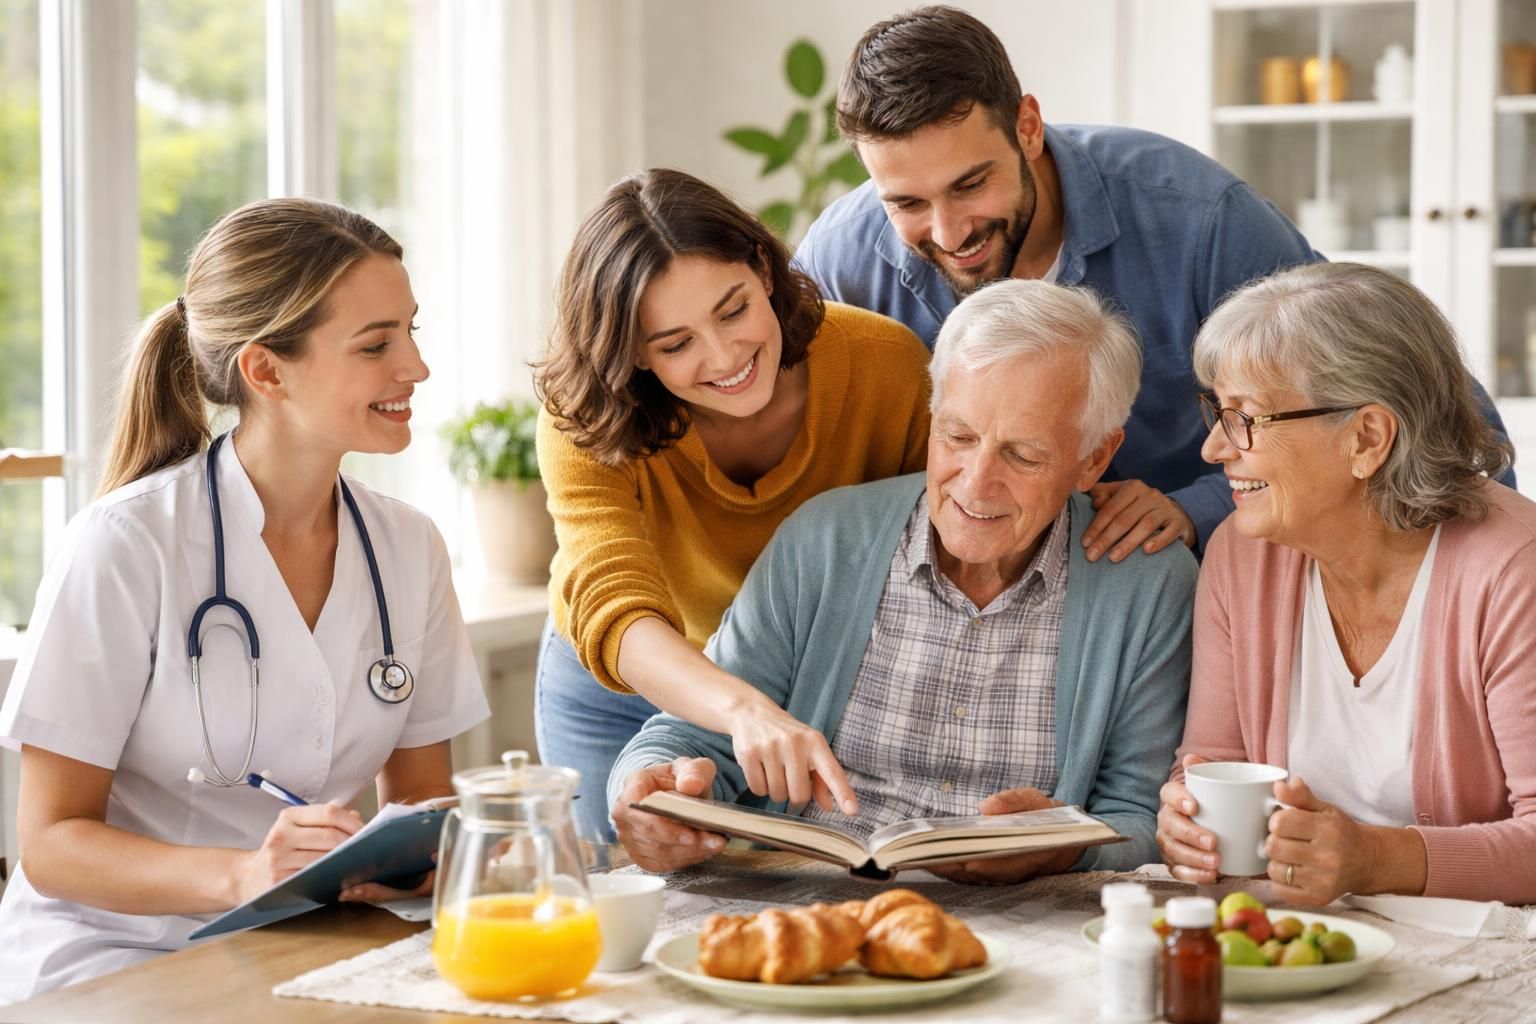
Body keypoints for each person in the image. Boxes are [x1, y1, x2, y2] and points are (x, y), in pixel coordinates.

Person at [794, 5, 1514, 559]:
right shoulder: (843, 256)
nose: (949, 233)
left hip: (1191, 579)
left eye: (971, 184)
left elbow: (1439, 417)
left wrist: (1199, 507)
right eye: (907, 204)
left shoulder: (1198, 220)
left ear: (1028, 126)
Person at [0, 198, 490, 1002]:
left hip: (306, 944)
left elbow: (417, 806)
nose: (416, 367)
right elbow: (51, 844)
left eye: (412, 331)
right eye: (376, 344)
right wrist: (246, 875)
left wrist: (446, 851)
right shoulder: (128, 544)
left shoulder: (409, 548)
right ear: (266, 371)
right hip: (116, 960)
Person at [609, 279, 1195, 881]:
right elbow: (694, 735)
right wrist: (653, 790)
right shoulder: (825, 540)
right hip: (802, 902)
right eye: (958, 436)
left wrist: (1065, 849)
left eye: (1022, 455)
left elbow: (1142, 820)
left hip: (1021, 925)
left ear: (1095, 457)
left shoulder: (1148, 585)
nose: (975, 482)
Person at [533, 168, 931, 842]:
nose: (725, 356)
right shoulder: (584, 415)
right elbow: (612, 599)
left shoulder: (883, 366)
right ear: (631, 351)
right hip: (622, 680)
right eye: (676, 344)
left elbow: (941, 547)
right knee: (626, 898)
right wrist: (741, 709)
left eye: (734, 309)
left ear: (763, 271)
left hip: (790, 685)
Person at [1155, 262, 1536, 906]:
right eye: (1216, 412)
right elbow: (1210, 763)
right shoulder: (1242, 557)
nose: (1215, 449)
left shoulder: (1514, 569)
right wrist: (1189, 821)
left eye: (1245, 417)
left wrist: (1375, 859)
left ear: (1366, 438)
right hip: (1301, 943)